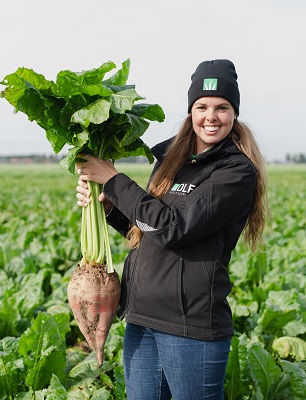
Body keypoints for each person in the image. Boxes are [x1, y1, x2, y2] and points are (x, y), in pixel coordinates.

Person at [75, 59, 268, 400]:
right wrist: (110, 206)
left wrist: (116, 181)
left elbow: (176, 231)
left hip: (190, 326)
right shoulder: (170, 161)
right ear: (191, 111)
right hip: (141, 318)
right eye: (202, 107)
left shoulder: (235, 172)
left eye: (222, 107)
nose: (211, 116)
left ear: (234, 113)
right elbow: (147, 230)